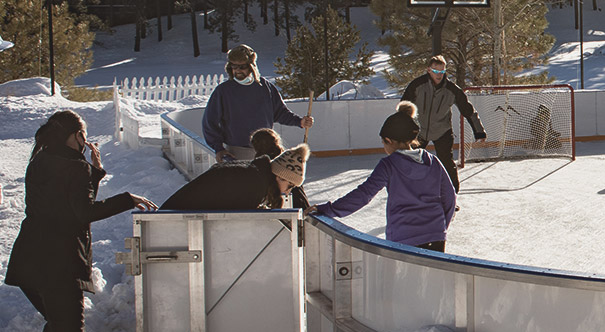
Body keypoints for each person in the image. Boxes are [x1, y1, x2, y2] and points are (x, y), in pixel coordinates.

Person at [4, 111, 155, 332]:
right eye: (82, 134)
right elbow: (83, 210)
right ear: (72, 136)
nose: (85, 141)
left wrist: (94, 172)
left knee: (60, 327)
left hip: (31, 261)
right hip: (59, 263)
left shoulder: (40, 162)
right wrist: (126, 198)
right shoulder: (74, 167)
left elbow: (69, 203)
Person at [314, 101, 458, 252]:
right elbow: (449, 198)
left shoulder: (389, 165)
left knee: (403, 276)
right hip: (435, 235)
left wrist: (328, 209)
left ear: (389, 141)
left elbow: (364, 194)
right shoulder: (432, 161)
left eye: (383, 142)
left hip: (403, 236)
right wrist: (439, 228)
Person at [202, 44, 313, 163]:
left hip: (267, 151)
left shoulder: (265, 87)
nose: (238, 70)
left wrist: (299, 122)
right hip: (237, 153)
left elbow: (280, 112)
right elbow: (210, 123)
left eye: (242, 66)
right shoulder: (223, 91)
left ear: (252, 66)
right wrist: (218, 148)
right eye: (234, 66)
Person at [161, 129, 310, 211]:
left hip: (173, 216)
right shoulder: (252, 182)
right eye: (290, 186)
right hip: (173, 220)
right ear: (280, 177)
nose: (288, 192)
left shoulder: (254, 173)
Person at [400, 55, 487, 192]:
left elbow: (468, 110)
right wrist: (402, 129)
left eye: (442, 71)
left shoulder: (452, 89)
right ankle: (409, 194)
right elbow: (404, 107)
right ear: (429, 70)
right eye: (436, 71)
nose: (439, 75)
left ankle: (452, 194)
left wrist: (479, 131)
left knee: (447, 163)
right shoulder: (417, 85)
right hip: (419, 130)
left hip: (442, 130)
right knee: (411, 161)